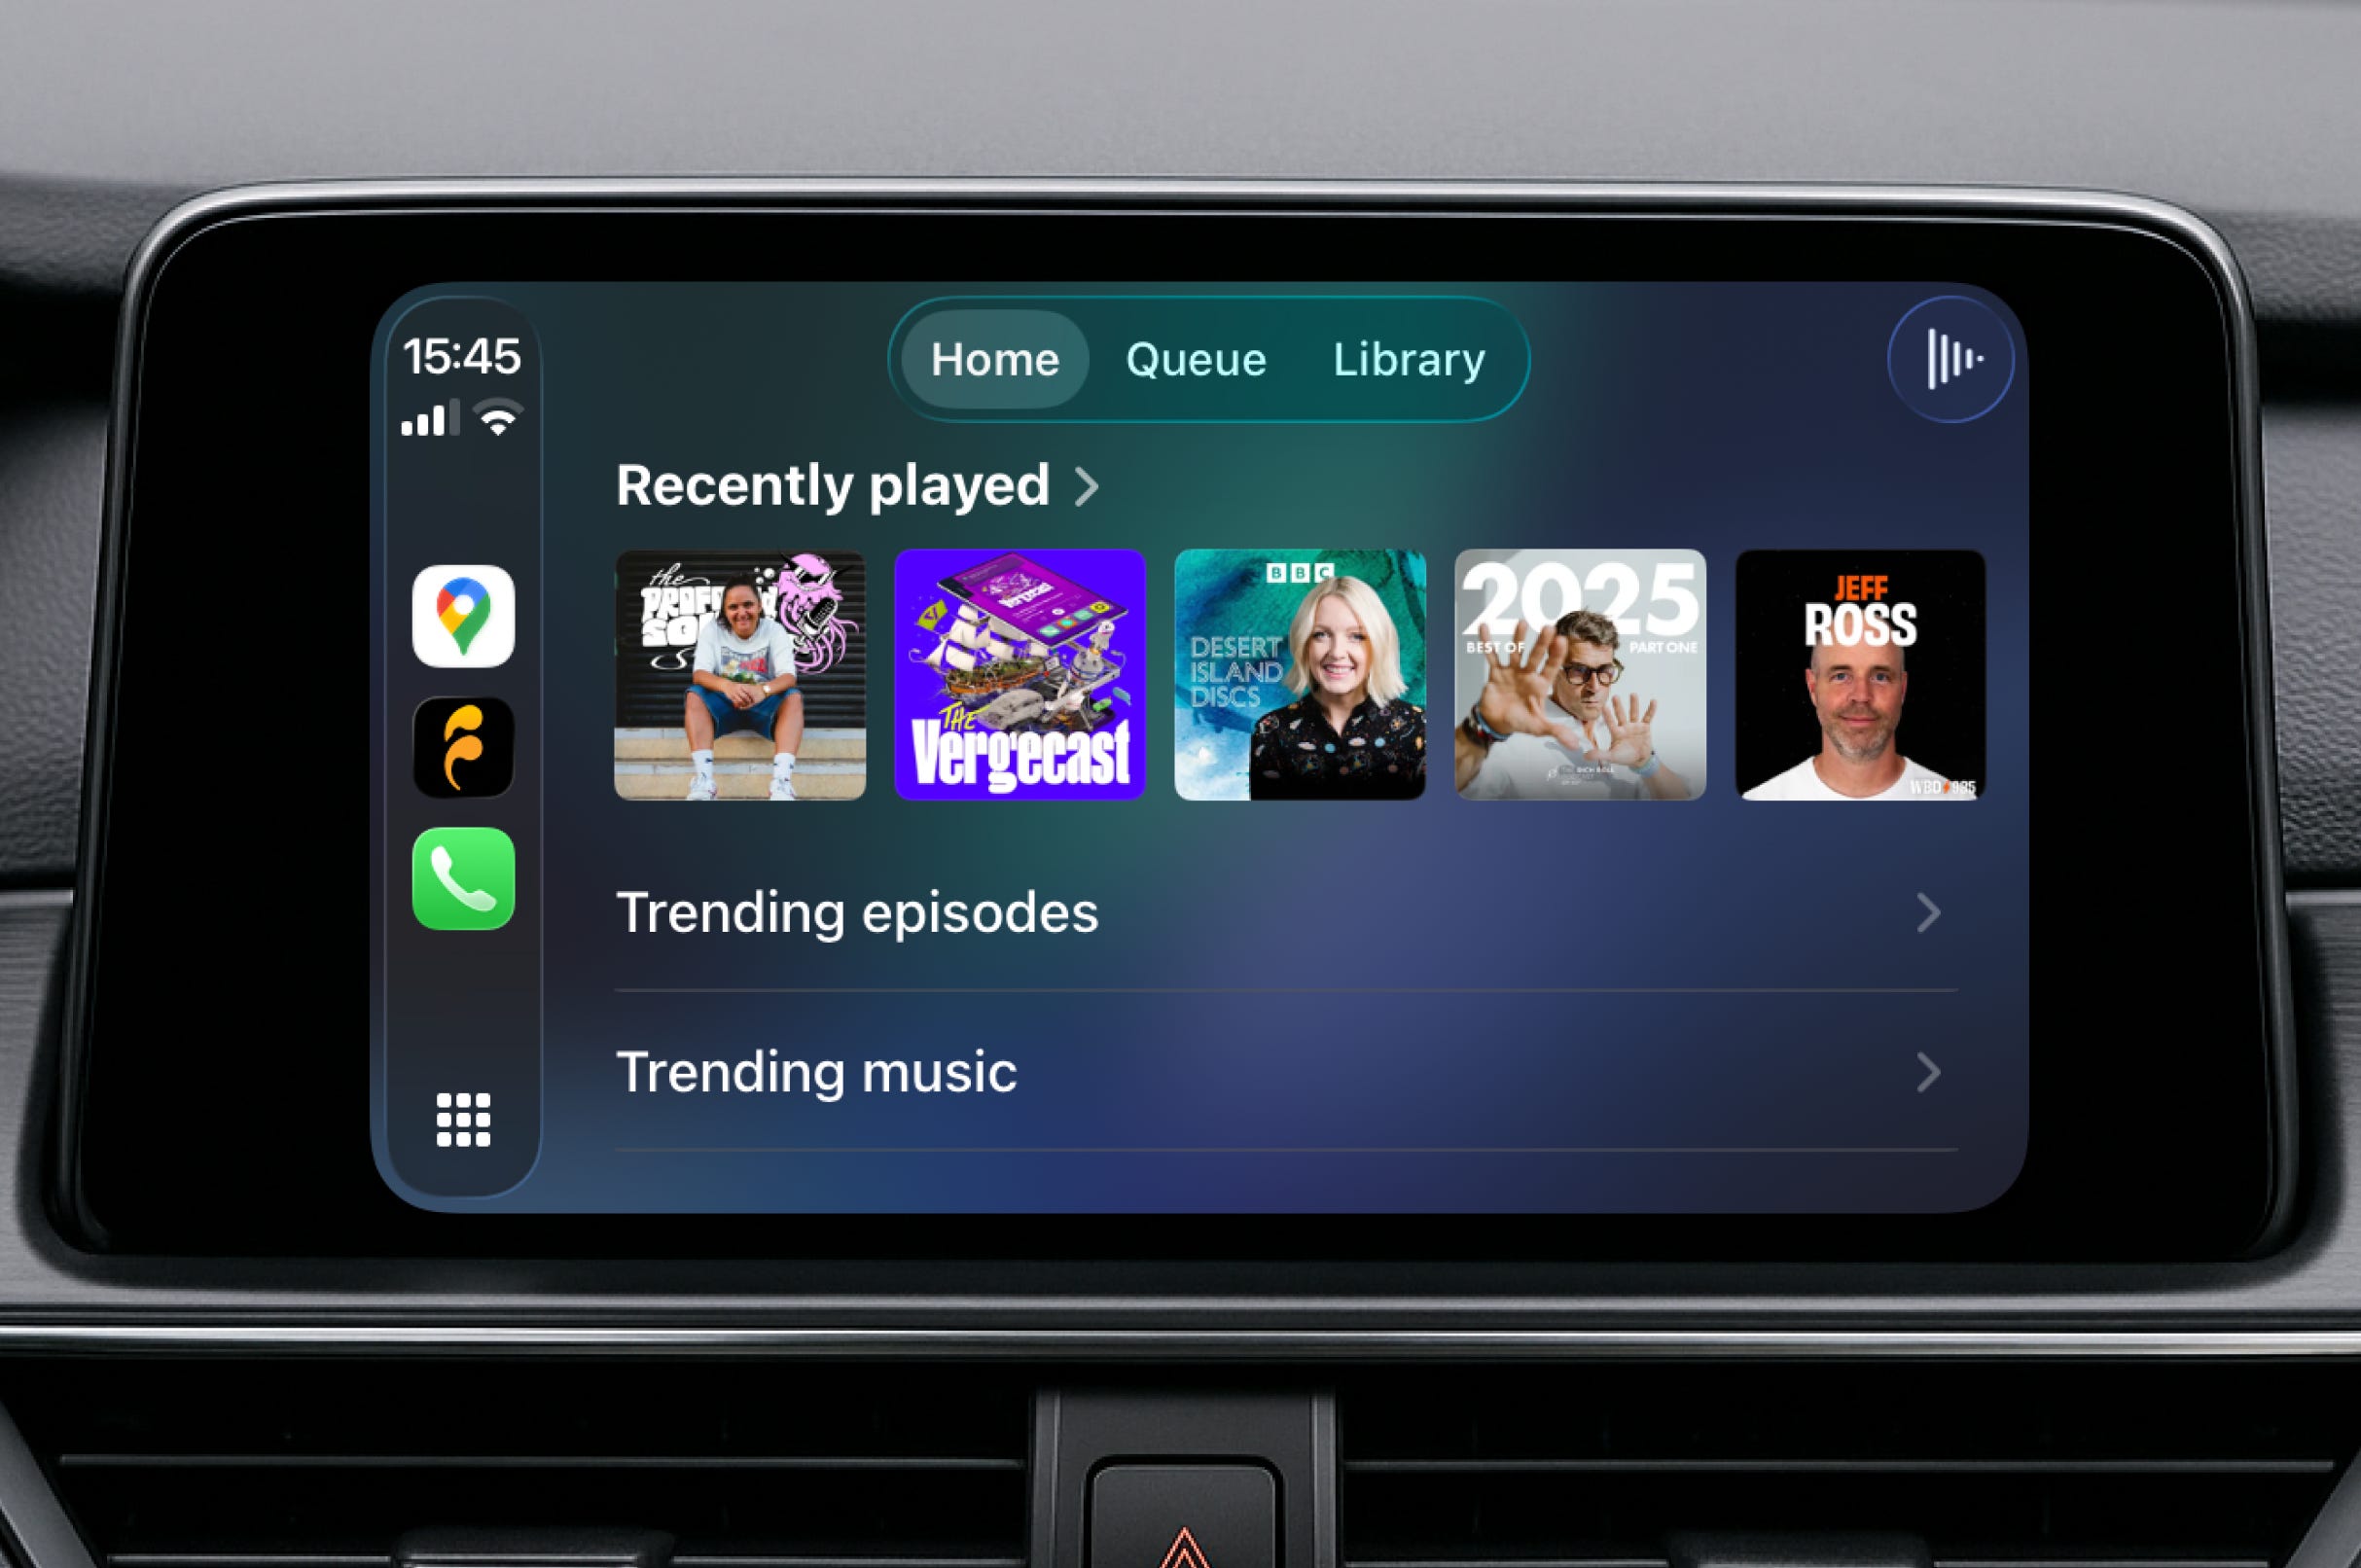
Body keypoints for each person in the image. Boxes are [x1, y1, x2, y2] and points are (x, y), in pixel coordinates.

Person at [1455, 610, 1693, 800]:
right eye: (1580, 670)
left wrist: (1647, 764)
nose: (1595, 686)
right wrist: (1482, 728)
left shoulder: (1621, 732)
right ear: (1554, 670)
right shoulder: (1516, 738)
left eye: (1605, 671)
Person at [1248, 575, 1425, 800]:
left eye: (1356, 636)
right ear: (1304, 643)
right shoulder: (1272, 732)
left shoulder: (1420, 728)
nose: (1337, 652)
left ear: (1379, 644)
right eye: (1321, 635)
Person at [1742, 630, 1962, 801]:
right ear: (1812, 688)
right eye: (1841, 676)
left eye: (1880, 677)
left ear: (1903, 689)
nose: (1861, 696)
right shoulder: (1760, 803)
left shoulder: (1956, 802)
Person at [683, 578, 803, 801]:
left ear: (759, 605)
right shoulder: (713, 630)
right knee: (694, 695)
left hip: (763, 708)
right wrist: (726, 686)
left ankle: (781, 783)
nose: (741, 613)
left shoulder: (774, 630)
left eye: (748, 605)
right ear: (725, 611)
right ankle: (704, 781)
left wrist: (763, 690)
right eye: (733, 607)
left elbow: (789, 676)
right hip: (725, 707)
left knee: (793, 697)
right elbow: (699, 674)